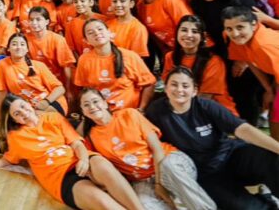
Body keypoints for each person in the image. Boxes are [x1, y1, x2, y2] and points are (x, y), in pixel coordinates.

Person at [146, 66, 279, 210]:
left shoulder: (206, 106)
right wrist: (159, 182)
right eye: (174, 84)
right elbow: (153, 145)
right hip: (206, 173)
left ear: (194, 91)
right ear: (165, 88)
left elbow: (243, 129)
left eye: (185, 86)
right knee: (247, 207)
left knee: (273, 160)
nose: (179, 90)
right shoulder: (156, 111)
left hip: (231, 154)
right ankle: (265, 201)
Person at [0, 94, 143, 210]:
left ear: (28, 102)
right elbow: (9, 158)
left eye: (22, 106)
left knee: (103, 167)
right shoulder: (16, 137)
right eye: (17, 113)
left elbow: (76, 142)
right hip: (59, 177)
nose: (23, 113)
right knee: (102, 202)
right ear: (14, 119)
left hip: (78, 160)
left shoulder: (53, 117)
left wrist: (84, 159)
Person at [79, 88, 216, 210]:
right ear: (83, 112)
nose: (92, 106)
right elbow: (79, 147)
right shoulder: (91, 137)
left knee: (171, 170)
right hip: (141, 181)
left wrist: (159, 183)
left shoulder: (129, 114)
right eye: (86, 105)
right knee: (144, 205)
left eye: (95, 101)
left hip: (167, 162)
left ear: (105, 103)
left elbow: (157, 148)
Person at [161, 15, 238, 115]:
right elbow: (169, 89)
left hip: (215, 111)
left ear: (203, 36)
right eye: (184, 30)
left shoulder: (214, 61)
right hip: (181, 107)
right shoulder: (170, 57)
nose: (189, 35)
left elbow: (206, 98)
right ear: (177, 33)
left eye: (194, 31)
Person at [222, 7, 279, 140]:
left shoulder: (264, 45)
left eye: (240, 27)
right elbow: (249, 60)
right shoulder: (236, 39)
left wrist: (272, 92)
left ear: (253, 25)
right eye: (229, 28)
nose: (235, 33)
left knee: (276, 111)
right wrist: (269, 89)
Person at [74, 18, 156, 111]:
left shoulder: (130, 56)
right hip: (101, 113)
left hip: (128, 112)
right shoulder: (84, 60)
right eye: (90, 32)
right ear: (86, 41)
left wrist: (141, 109)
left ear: (109, 33)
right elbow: (85, 89)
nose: (96, 33)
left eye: (100, 29)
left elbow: (149, 84)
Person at [0, 33, 67, 123]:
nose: (18, 47)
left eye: (22, 44)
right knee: (22, 119)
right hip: (28, 108)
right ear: (8, 48)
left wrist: (45, 102)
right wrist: (0, 116)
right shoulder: (3, 64)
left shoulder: (39, 66)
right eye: (14, 44)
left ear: (27, 49)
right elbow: (2, 91)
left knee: (32, 120)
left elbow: (60, 88)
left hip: (52, 102)